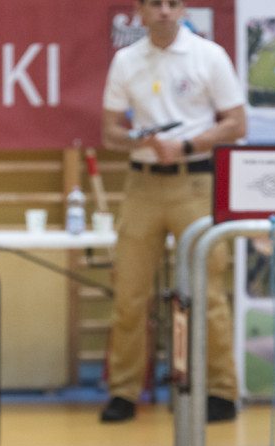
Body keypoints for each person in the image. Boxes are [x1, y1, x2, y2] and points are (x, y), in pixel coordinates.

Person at [100, 0, 247, 423]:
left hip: (196, 183)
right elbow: (109, 131)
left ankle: (221, 391)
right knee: (129, 294)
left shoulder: (209, 55)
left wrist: (184, 145)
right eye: (154, 4)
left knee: (208, 293)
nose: (163, 11)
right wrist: (139, 140)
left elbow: (236, 123)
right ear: (140, 12)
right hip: (142, 183)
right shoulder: (126, 60)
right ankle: (124, 393)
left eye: (171, 4)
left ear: (182, 10)